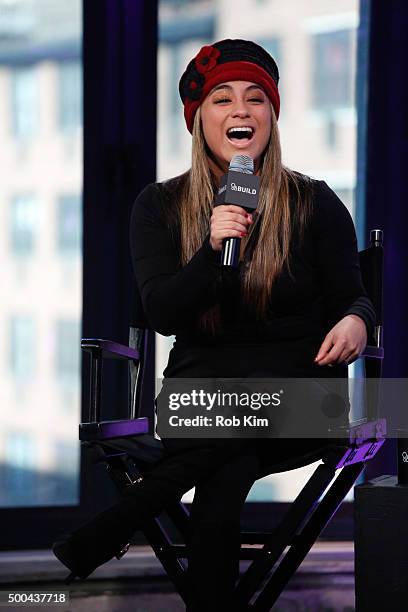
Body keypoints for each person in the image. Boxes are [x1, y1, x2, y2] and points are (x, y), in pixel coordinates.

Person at [52, 39, 375, 611]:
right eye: (223, 99)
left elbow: (355, 295)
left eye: (257, 99)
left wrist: (355, 319)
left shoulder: (315, 203)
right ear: (199, 119)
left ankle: (112, 528)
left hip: (300, 401)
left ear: (273, 117)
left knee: (220, 462)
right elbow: (165, 314)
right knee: (227, 465)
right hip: (201, 400)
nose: (242, 111)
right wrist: (210, 250)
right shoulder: (158, 206)